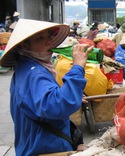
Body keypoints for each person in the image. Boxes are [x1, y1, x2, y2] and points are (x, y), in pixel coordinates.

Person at [0, 19, 92, 155]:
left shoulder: (26, 66)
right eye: (40, 38)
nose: (49, 42)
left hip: (33, 144)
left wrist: (71, 94)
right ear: (25, 46)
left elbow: (42, 99)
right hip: (42, 149)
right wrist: (77, 67)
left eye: (49, 36)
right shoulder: (34, 73)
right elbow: (58, 105)